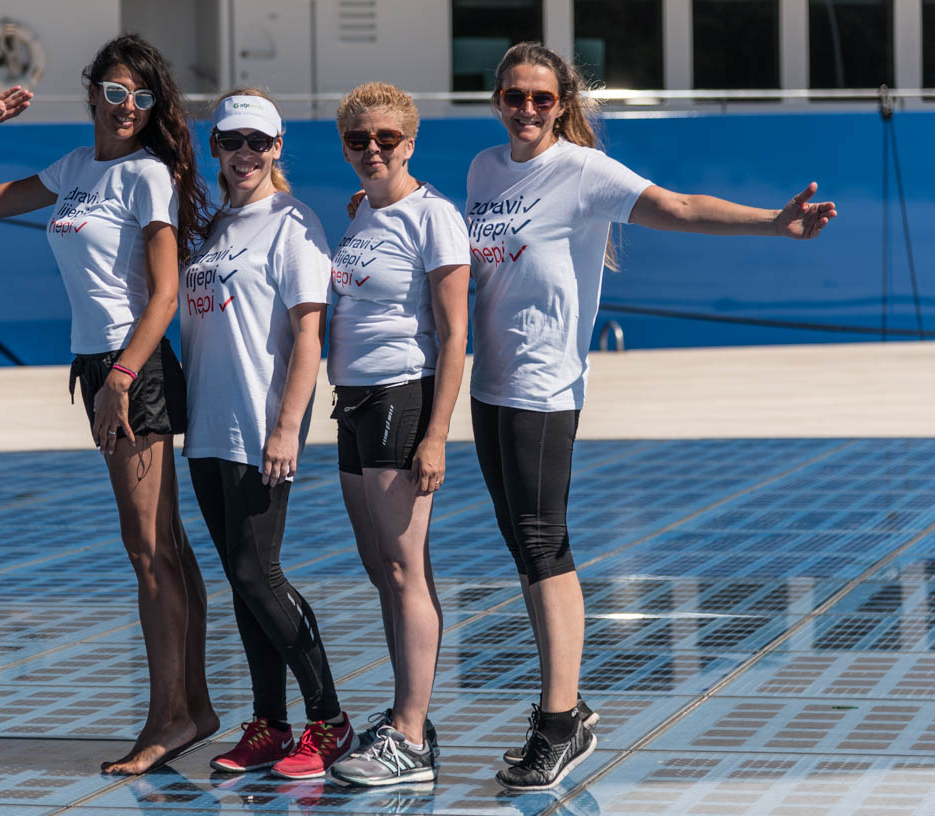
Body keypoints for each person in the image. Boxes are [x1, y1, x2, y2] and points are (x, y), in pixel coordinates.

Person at [470, 42, 837, 792]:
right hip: (491, 387)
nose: (528, 109)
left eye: (542, 98)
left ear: (561, 104)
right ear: (497, 100)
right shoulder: (482, 170)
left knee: (544, 547)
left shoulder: (581, 170)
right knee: (522, 549)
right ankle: (560, 712)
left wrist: (774, 223)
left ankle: (560, 718)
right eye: (515, 96)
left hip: (544, 389)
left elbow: (676, 206)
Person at [0, 34, 218, 775]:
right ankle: (189, 708)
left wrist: (122, 379)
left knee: (149, 551)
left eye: (142, 97)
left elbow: (164, 294)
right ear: (92, 93)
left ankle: (169, 717)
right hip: (97, 363)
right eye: (115, 92)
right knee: (160, 546)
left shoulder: (148, 177)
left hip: (132, 367)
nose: (128, 107)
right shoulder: (74, 168)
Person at [182, 89, 354, 781]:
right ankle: (270, 723)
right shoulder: (210, 223)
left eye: (258, 142)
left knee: (260, 571)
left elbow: (310, 333)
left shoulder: (293, 224)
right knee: (241, 581)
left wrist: (287, 427)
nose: (244, 154)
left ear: (277, 147)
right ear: (214, 149)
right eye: (231, 142)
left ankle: (330, 720)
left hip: (257, 427)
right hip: (206, 428)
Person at [322, 82, 470, 788]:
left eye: (386, 139)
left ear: (409, 143)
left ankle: (409, 736)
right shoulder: (359, 214)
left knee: (407, 567)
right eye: (359, 140)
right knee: (381, 567)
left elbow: (453, 334)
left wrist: (437, 433)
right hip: (352, 404)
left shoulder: (432, 217)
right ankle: (405, 716)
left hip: (399, 400)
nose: (372, 150)